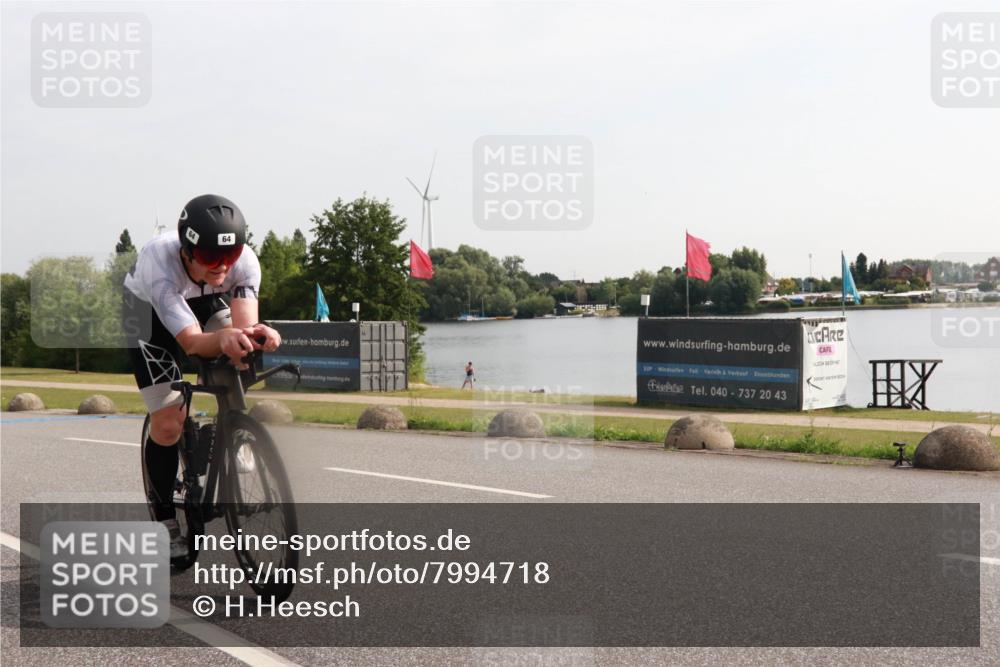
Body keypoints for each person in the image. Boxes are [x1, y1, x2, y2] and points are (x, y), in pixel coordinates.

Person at [122, 194, 282, 557]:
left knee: (238, 352)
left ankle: (234, 432)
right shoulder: (159, 264)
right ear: (187, 250)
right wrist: (222, 339)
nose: (222, 266)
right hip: (147, 315)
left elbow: (242, 326)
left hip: (205, 300)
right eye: (211, 257)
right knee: (167, 422)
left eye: (230, 256)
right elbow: (192, 343)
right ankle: (163, 518)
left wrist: (256, 334)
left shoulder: (243, 262)